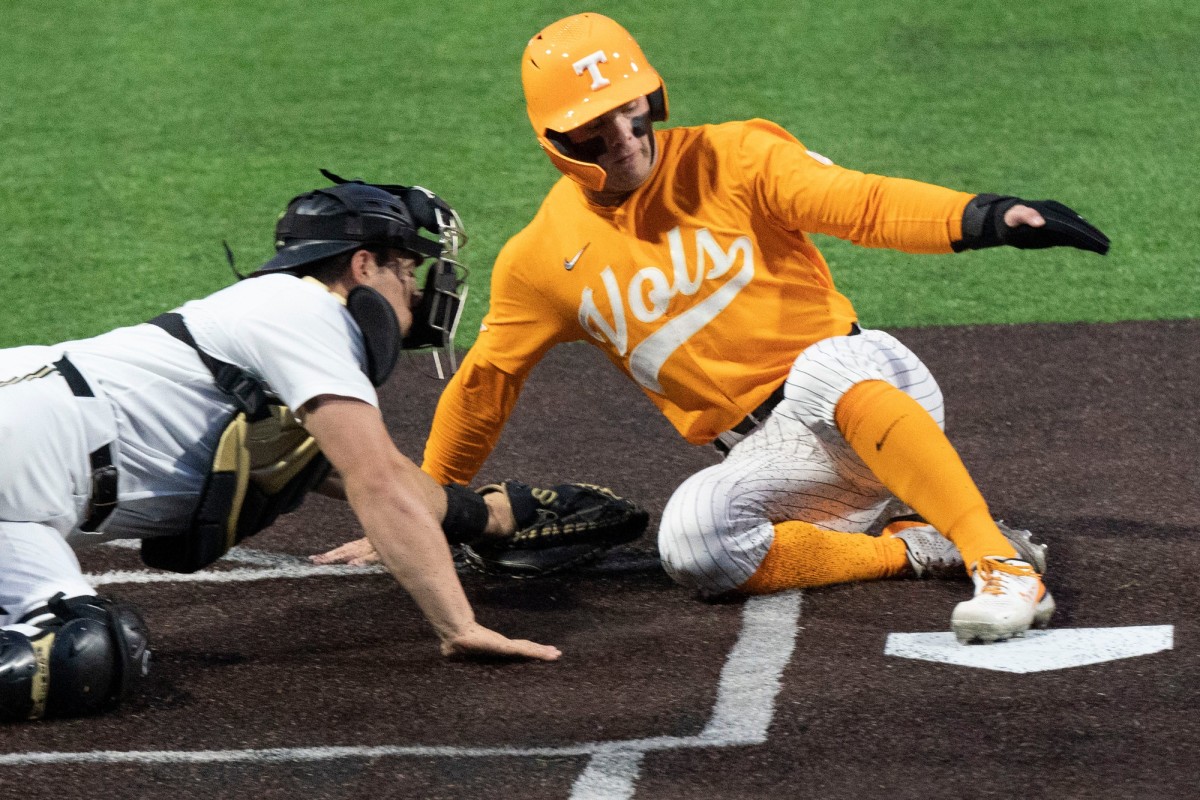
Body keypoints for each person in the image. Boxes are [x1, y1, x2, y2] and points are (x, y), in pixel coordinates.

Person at [319, 13, 1110, 645]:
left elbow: (864, 203)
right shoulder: (540, 260)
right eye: (594, 131)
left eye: (632, 112)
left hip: (870, 390)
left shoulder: (738, 157)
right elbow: (485, 386)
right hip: (787, 466)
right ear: (555, 143)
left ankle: (1001, 563)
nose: (624, 141)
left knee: (822, 371)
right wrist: (416, 504)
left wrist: (989, 217)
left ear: (651, 97)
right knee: (692, 544)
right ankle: (912, 546)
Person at [0, 179, 564, 723]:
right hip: (23, 439)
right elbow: (376, 481)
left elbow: (349, 469)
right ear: (364, 265)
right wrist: (458, 626)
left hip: (21, 496)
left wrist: (487, 519)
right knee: (86, 656)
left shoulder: (270, 318)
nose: (416, 293)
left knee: (81, 638)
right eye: (409, 269)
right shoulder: (306, 313)